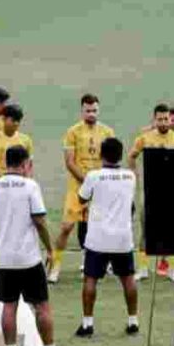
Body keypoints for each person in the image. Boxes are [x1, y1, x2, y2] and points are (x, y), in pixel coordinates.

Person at [0, 145, 56, 346]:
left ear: (6, 163)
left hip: (4, 257)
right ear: (26, 164)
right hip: (28, 258)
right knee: (42, 305)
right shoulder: (30, 186)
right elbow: (40, 221)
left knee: (9, 305)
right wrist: (50, 249)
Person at [75, 138, 139, 337]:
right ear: (121, 155)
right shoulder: (130, 176)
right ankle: (133, 320)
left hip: (98, 237)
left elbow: (81, 198)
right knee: (128, 279)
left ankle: (87, 324)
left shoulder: (94, 176)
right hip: (122, 237)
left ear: (101, 155)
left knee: (91, 279)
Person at [49, 94, 115, 284]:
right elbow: (69, 162)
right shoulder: (73, 132)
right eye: (88, 110)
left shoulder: (107, 132)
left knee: (100, 227)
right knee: (67, 226)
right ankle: (55, 265)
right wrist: (88, 181)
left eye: (94, 110)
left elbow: (109, 159)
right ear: (82, 110)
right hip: (77, 188)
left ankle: (98, 264)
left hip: (100, 188)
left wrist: (99, 182)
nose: (91, 114)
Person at [128, 104, 174, 281]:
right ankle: (143, 268)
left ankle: (173, 270)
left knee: (172, 231)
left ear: (170, 119)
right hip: (149, 190)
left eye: (166, 119)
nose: (163, 122)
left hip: (171, 191)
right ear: (154, 119)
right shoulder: (144, 138)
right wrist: (135, 175)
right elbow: (131, 156)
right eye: (159, 119)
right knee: (146, 229)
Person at [0, 104, 34, 181]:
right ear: (3, 119)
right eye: (13, 120)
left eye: (18, 121)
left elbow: (29, 165)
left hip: (19, 183)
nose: (16, 123)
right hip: (0, 182)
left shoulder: (26, 140)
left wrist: (26, 181)